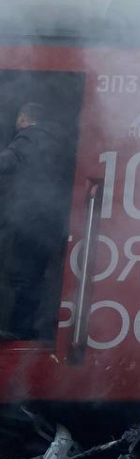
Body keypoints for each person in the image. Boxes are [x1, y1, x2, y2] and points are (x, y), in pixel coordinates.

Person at [0, 102, 66, 340]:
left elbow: (8, 161)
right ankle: (34, 329)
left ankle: (18, 330)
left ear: (25, 118)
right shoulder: (61, 141)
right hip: (53, 220)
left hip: (30, 218)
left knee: (21, 275)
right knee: (39, 277)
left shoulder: (30, 137)